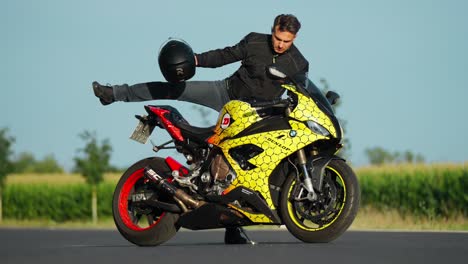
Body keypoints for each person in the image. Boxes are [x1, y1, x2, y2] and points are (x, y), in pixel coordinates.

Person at [93, 14, 309, 244]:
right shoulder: (255, 41)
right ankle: (114, 93)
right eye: (277, 38)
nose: (280, 44)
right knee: (174, 89)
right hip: (226, 94)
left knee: (239, 170)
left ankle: (233, 228)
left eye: (286, 41)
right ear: (273, 30)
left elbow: (302, 95)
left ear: (295, 38)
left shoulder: (298, 63)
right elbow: (225, 55)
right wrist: (195, 60)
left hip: (256, 116)